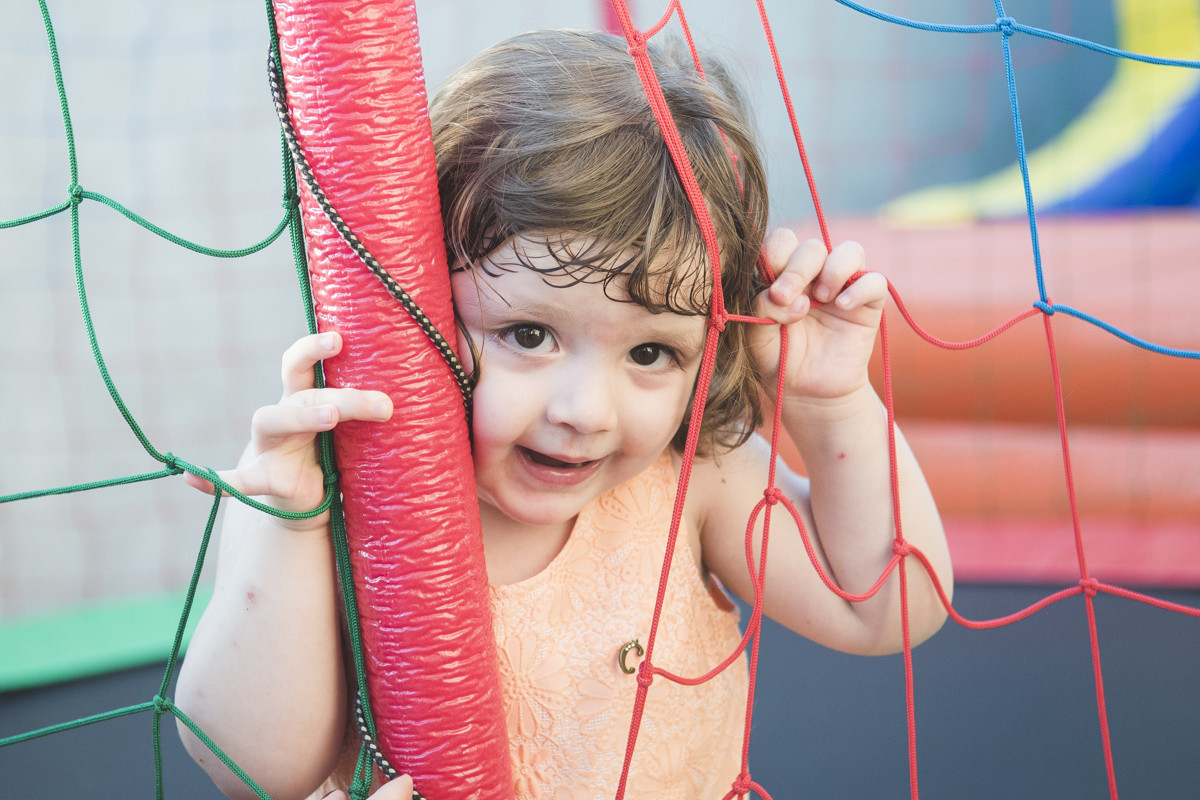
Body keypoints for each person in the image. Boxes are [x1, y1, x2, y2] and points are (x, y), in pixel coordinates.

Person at [176, 28, 953, 800]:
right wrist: (291, 526)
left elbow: (887, 606)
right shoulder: (323, 505)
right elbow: (248, 769)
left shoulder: (692, 480)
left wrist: (831, 400)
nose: (585, 410)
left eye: (651, 354)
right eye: (529, 335)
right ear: (417, 307)